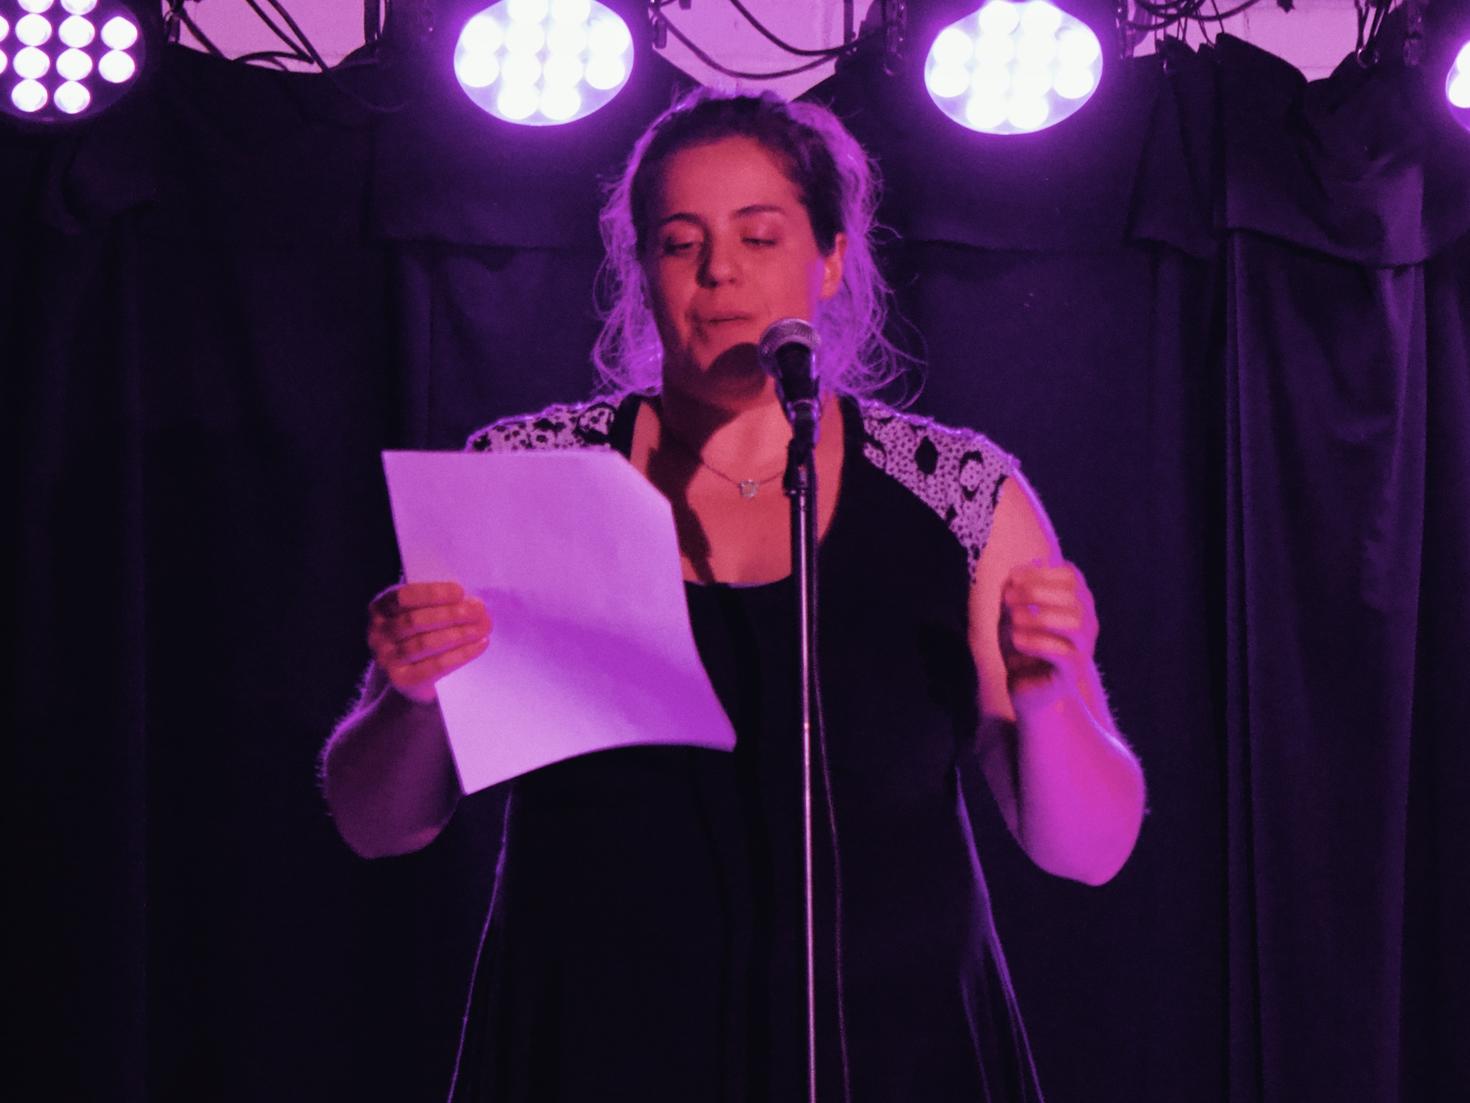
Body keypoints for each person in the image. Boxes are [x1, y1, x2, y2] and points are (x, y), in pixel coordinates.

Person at [320, 89, 1145, 1102]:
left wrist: (1055, 690)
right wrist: (406, 693)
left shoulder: (959, 492)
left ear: (830, 259)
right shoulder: (531, 476)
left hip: (893, 1048)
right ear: (643, 272)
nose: (720, 270)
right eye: (680, 242)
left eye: (760, 235)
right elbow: (377, 820)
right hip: (590, 1049)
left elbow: (1088, 851)